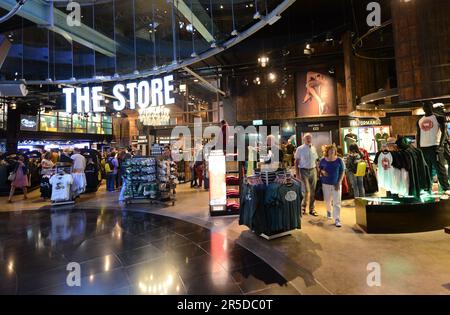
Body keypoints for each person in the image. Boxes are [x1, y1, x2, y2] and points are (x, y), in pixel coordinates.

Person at [319, 144, 345, 227]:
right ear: (327, 151)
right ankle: (329, 211)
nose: (332, 151)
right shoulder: (323, 160)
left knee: (337, 202)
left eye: (333, 150)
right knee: (327, 200)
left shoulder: (339, 160)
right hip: (325, 183)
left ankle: (337, 218)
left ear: (335, 151)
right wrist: (322, 172)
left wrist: (339, 182)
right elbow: (319, 169)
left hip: (336, 184)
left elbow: (342, 172)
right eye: (330, 150)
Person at [295, 133, 319, 216]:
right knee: (306, 191)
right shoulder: (299, 149)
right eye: (307, 138)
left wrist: (318, 171)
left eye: (310, 138)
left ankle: (312, 209)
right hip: (303, 171)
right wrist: (297, 174)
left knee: (313, 191)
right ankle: (303, 207)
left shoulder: (313, 148)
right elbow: (296, 162)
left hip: (313, 171)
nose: (309, 139)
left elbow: (316, 161)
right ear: (303, 139)